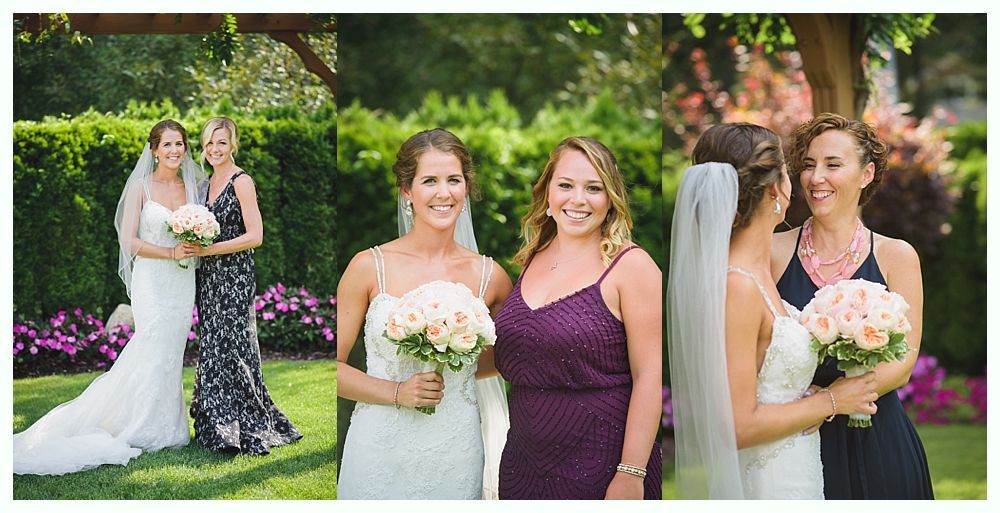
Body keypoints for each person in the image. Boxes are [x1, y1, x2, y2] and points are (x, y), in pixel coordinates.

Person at [667, 123, 878, 498]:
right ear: (775, 189)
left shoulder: (757, 274)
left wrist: (804, 394)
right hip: (769, 483)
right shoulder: (738, 286)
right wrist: (832, 401)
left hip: (797, 467)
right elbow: (737, 426)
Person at [13, 120, 204, 475]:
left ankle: (170, 427)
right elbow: (129, 241)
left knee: (171, 350)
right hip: (153, 279)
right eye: (167, 145)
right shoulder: (141, 188)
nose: (175, 151)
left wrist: (195, 245)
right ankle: (138, 427)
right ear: (153, 150)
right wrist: (171, 254)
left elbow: (201, 230)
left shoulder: (192, 187)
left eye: (179, 144)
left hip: (182, 282)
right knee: (150, 344)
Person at [336, 128, 513, 499]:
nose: (443, 193)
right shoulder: (369, 267)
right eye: (429, 180)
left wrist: (455, 361)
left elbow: (509, 359)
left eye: (453, 180)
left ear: (466, 188)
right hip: (378, 446)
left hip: (456, 448)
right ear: (407, 190)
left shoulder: (491, 277)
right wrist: (397, 391)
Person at [772, 113, 934, 499]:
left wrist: (837, 398)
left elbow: (904, 361)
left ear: (866, 174)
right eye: (808, 165)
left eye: (833, 164)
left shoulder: (897, 256)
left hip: (881, 438)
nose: (816, 178)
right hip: (799, 440)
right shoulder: (774, 251)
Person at [493, 137, 662, 500]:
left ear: (611, 198)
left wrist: (631, 473)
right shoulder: (531, 256)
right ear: (548, 193)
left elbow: (649, 376)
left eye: (594, 188)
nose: (578, 199)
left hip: (602, 462)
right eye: (566, 185)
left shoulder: (632, 267)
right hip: (522, 464)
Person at [185, 117, 301, 455]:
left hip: (234, 275)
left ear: (232, 144)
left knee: (234, 346)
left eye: (221, 142)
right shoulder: (205, 184)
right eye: (209, 143)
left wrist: (211, 249)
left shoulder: (242, 181)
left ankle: (245, 423)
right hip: (207, 277)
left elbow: (256, 236)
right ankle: (215, 424)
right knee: (212, 346)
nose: (214, 149)